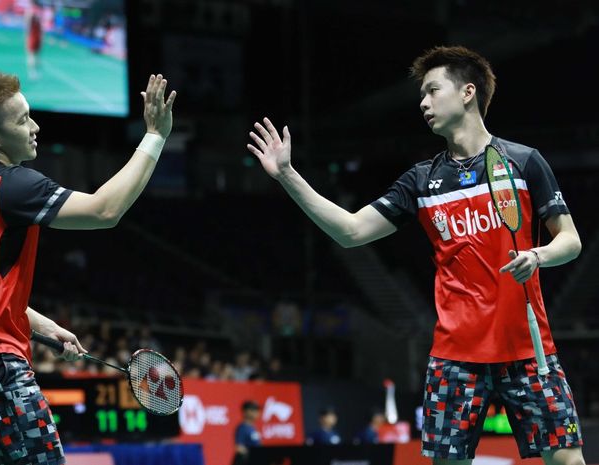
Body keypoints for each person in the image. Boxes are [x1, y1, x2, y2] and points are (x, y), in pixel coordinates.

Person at [247, 45, 584, 465]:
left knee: (567, 459)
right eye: (421, 95)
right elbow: (351, 232)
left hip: (528, 347)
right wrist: (288, 176)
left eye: (432, 90)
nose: (423, 103)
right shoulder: (421, 181)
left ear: (467, 92)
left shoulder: (523, 162)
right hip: (455, 356)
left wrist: (537, 256)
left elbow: (570, 241)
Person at [0, 70, 176, 464]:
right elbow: (104, 210)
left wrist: (47, 329)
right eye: (22, 119)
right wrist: (155, 137)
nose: (35, 126)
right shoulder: (13, 186)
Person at [233, 400, 262, 465]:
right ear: (246, 411)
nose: (257, 413)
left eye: (257, 410)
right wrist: (253, 455)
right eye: (254, 410)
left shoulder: (253, 428)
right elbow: (239, 448)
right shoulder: (242, 428)